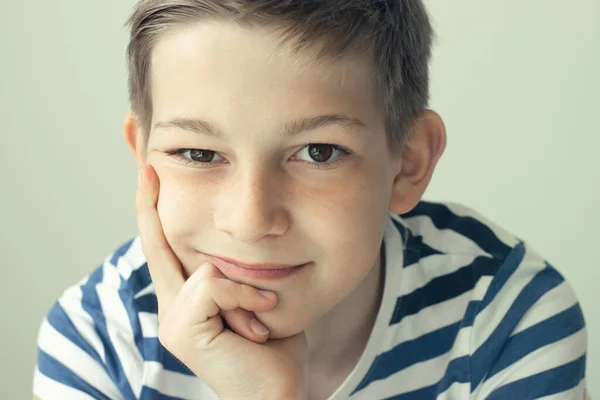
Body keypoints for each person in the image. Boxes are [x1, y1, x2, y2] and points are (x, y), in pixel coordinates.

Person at [33, 0, 589, 399]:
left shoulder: (504, 313)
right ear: (143, 157)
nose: (250, 220)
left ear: (409, 162)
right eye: (199, 154)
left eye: (319, 152)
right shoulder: (100, 341)